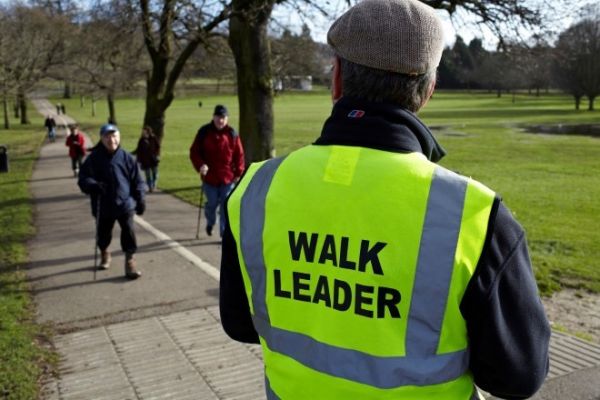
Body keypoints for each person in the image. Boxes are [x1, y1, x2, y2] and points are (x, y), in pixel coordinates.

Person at [219, 1, 551, 399]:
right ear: (428, 90)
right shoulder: (474, 216)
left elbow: (240, 324)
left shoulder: (256, 188)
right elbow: (517, 377)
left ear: (336, 79)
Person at [78, 123, 145, 279]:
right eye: (107, 137)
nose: (111, 140)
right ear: (101, 139)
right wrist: (93, 185)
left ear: (119, 137)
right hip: (103, 204)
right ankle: (104, 252)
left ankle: (130, 261)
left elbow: (138, 181)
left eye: (114, 136)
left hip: (124, 204)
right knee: (103, 235)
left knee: (128, 231)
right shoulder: (93, 159)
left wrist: (140, 198)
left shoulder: (127, 157)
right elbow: (83, 179)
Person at [189, 104, 245, 237]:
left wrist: (239, 173)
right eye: (218, 117)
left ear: (227, 119)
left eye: (223, 117)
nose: (220, 120)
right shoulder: (204, 132)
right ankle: (210, 222)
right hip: (209, 178)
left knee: (225, 206)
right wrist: (201, 165)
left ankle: (223, 234)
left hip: (227, 177)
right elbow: (194, 152)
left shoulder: (232, 134)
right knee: (212, 204)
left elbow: (239, 155)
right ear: (213, 117)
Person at [133, 126, 161, 192]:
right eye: (143, 132)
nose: (143, 133)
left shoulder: (153, 138)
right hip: (145, 161)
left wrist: (157, 155)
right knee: (148, 175)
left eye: (144, 131)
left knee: (155, 174)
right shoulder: (141, 140)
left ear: (148, 132)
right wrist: (138, 159)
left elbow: (158, 146)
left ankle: (154, 185)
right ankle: (150, 187)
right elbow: (139, 150)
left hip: (153, 160)